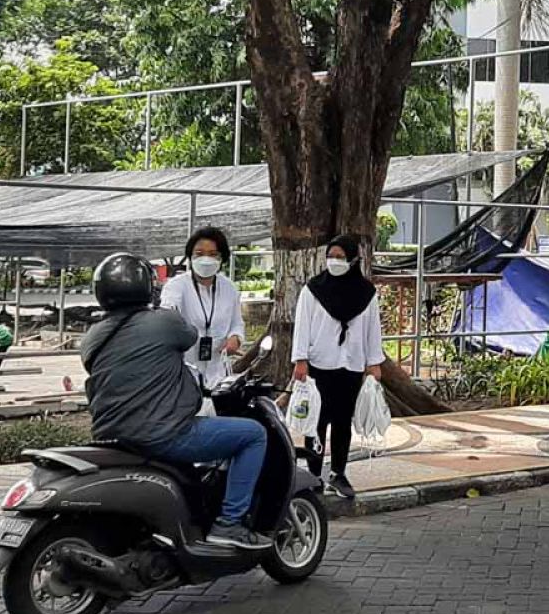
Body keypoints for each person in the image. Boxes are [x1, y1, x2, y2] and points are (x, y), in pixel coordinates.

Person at [81, 252, 271, 551]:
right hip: (164, 433)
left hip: (111, 436)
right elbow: (190, 336)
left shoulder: (92, 335)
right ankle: (230, 523)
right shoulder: (164, 322)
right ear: (148, 287)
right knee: (253, 435)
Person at [291, 235, 384, 500]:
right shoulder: (313, 290)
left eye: (341, 257)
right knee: (316, 422)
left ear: (354, 259)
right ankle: (313, 473)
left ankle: (339, 473)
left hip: (351, 365)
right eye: (331, 256)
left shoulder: (366, 293)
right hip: (320, 363)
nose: (335, 261)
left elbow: (372, 331)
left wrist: (373, 363)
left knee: (343, 421)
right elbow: (303, 326)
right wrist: (300, 360)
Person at [159, 227, 245, 392]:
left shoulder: (229, 288)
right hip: (184, 372)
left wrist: (235, 337)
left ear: (221, 258)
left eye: (212, 254)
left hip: (219, 371)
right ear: (190, 256)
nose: (206, 259)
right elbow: (168, 316)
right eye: (199, 253)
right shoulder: (176, 286)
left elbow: (237, 323)